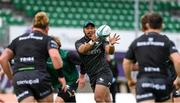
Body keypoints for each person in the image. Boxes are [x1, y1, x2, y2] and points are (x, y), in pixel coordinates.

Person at [0, 11, 66, 103]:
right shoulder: (47, 39)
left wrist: (12, 78)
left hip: (20, 79)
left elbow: (3, 59)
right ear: (47, 29)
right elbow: (55, 57)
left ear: (32, 27)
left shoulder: (17, 40)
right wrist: (61, 76)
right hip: (39, 76)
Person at [123, 12, 180, 103]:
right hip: (162, 83)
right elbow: (178, 60)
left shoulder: (137, 42)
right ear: (161, 26)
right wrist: (179, 79)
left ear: (147, 25)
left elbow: (126, 62)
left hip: (144, 83)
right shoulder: (166, 41)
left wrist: (130, 80)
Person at [75, 21, 120, 102]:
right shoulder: (79, 42)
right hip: (92, 76)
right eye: (87, 28)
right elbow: (82, 50)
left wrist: (111, 45)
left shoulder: (101, 40)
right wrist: (92, 42)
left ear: (95, 30)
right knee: (107, 99)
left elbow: (109, 51)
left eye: (92, 28)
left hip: (104, 72)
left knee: (98, 98)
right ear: (83, 30)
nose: (90, 30)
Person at [47, 36, 86, 103]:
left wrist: (82, 77)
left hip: (71, 82)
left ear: (58, 46)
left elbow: (83, 62)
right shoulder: (45, 57)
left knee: (58, 101)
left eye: (53, 45)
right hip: (59, 85)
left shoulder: (67, 54)